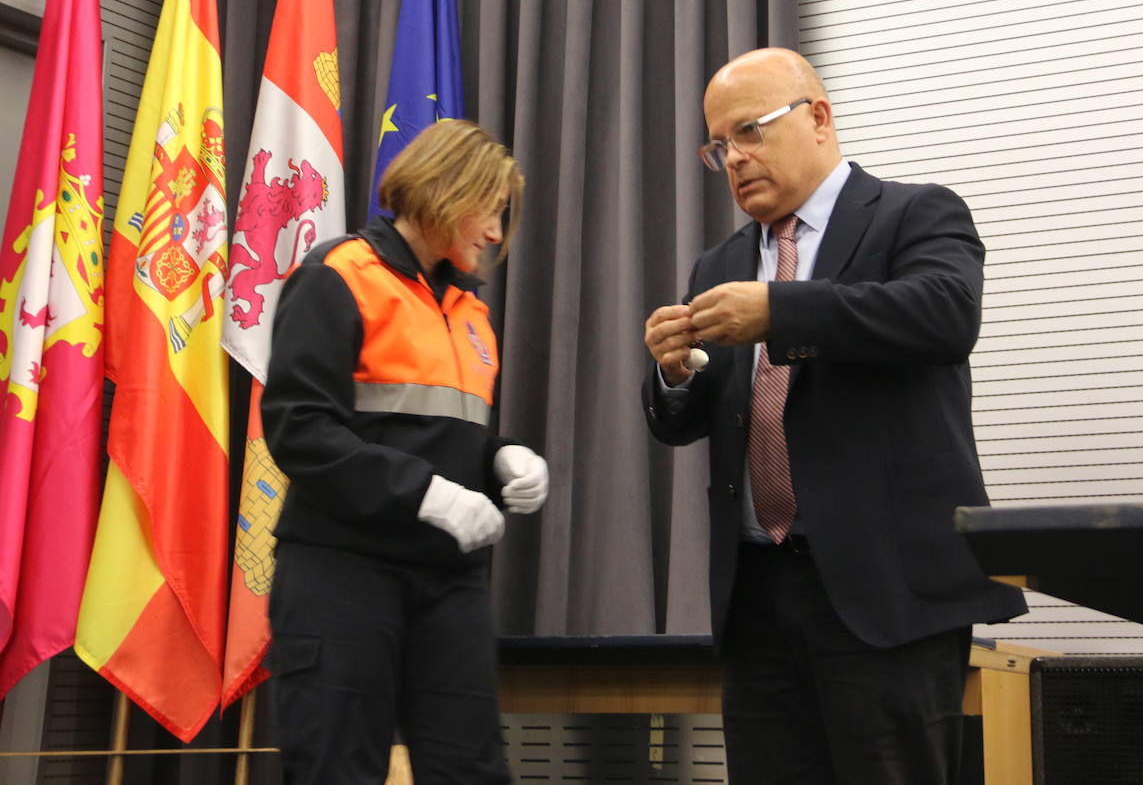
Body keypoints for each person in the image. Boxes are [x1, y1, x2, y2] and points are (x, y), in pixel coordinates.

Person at [642, 48, 1027, 784]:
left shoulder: (916, 213)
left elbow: (945, 315)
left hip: (885, 590)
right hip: (756, 594)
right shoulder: (718, 265)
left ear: (818, 117)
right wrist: (671, 373)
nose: (734, 158)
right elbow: (687, 421)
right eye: (720, 145)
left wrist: (780, 312)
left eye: (750, 131)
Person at [262, 119, 548, 784]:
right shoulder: (339, 275)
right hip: (342, 572)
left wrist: (499, 459)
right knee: (337, 768)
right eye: (491, 210)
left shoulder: (470, 311)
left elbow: (441, 432)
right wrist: (426, 493)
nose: (498, 235)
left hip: (448, 583)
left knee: (472, 770)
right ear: (445, 191)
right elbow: (299, 428)